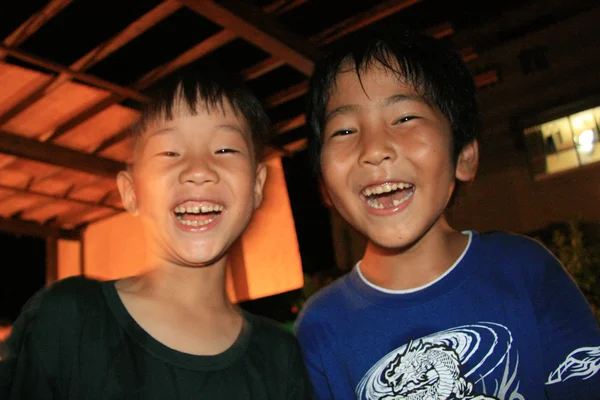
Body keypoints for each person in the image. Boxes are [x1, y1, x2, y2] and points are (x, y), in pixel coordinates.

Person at [294, 28, 600, 399]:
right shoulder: (319, 326)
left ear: (465, 156)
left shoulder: (524, 270)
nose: (374, 149)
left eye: (404, 118)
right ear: (325, 185)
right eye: (343, 130)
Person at [1, 69, 313, 399]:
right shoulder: (69, 318)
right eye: (169, 152)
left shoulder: (280, 355)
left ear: (257, 186)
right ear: (131, 191)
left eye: (225, 150)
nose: (198, 170)